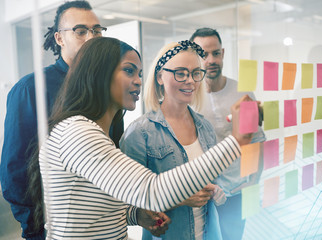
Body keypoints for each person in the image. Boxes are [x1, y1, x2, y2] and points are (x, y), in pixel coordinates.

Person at [31, 36, 252, 239]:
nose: (137, 80)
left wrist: (136, 215)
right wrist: (236, 141)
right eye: (128, 71)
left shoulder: (94, 133)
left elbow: (102, 207)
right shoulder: (77, 133)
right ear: (99, 74)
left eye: (138, 73)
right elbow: (150, 191)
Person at [0, 1, 105, 239]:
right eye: (80, 31)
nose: (91, 38)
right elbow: (13, 170)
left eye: (97, 31)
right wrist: (35, 227)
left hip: (99, 222)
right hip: (50, 227)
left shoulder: (105, 88)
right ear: (59, 38)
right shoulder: (31, 88)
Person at [120, 40, 224, 240]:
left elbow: (212, 179)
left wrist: (216, 190)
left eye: (195, 73)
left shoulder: (205, 128)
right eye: (181, 73)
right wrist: (179, 198)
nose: (190, 81)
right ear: (160, 76)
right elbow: (127, 203)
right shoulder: (140, 133)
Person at [190, 28, 266, 240]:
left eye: (215, 53)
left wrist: (253, 183)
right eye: (203, 55)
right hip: (203, 193)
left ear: (223, 53)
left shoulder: (242, 92)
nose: (211, 60)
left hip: (237, 190)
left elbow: (256, 139)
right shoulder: (189, 97)